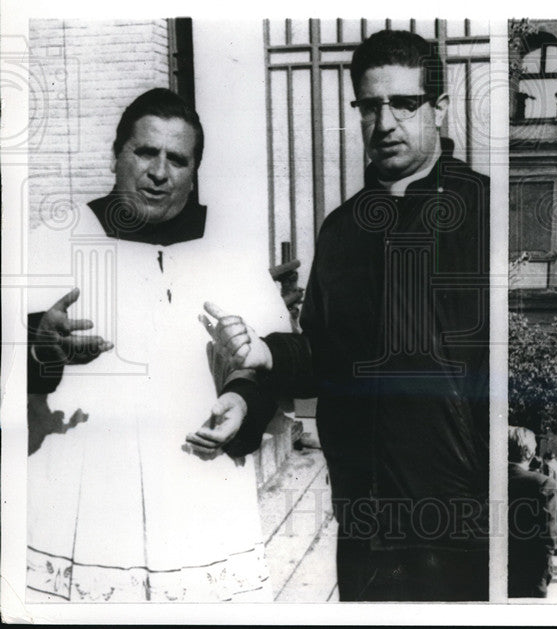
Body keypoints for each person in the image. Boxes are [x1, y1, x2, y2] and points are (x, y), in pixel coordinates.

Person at [202, 30, 490, 601]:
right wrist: (266, 352)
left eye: (404, 104)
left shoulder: (483, 210)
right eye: (369, 106)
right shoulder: (342, 229)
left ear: (439, 108)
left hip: (463, 529)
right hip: (365, 527)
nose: (384, 123)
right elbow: (329, 358)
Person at [26, 89, 288, 602]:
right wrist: (39, 345)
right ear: (117, 154)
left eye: (177, 159)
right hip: (80, 498)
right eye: (145, 152)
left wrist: (245, 398)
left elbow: (267, 363)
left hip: (199, 491)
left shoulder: (228, 245)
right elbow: (18, 359)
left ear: (194, 172)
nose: (159, 172)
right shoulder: (56, 238)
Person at [508, 427, 557, 598]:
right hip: (528, 578)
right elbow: (548, 536)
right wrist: (544, 576)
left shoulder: (482, 480)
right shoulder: (543, 483)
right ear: (529, 452)